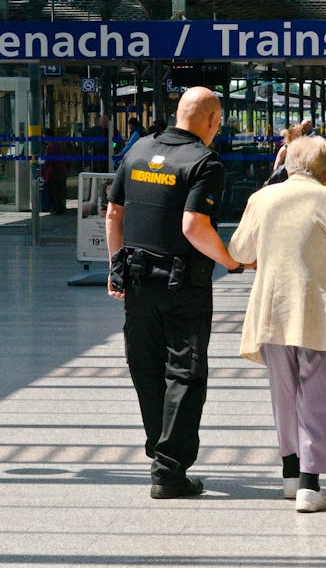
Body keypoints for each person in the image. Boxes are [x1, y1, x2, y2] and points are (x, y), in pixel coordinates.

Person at [228, 135, 326, 513]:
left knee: (284, 395)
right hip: (319, 313)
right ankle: (310, 487)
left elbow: (239, 251)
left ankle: (289, 478)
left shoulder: (263, 198)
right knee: (318, 395)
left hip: (272, 313)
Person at [104, 86, 244, 500]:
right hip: (184, 286)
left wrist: (116, 268)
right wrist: (232, 262)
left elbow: (113, 213)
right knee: (184, 373)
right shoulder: (205, 162)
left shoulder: (138, 151)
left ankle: (159, 452)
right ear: (213, 120)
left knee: (146, 366)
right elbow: (194, 227)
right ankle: (169, 469)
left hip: (137, 282)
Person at [41, 129, 69, 215]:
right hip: (59, 171)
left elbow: (50, 160)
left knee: (54, 191)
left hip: (55, 172)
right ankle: (59, 208)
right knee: (58, 191)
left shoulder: (52, 145)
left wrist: (44, 166)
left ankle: (57, 208)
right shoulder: (58, 143)